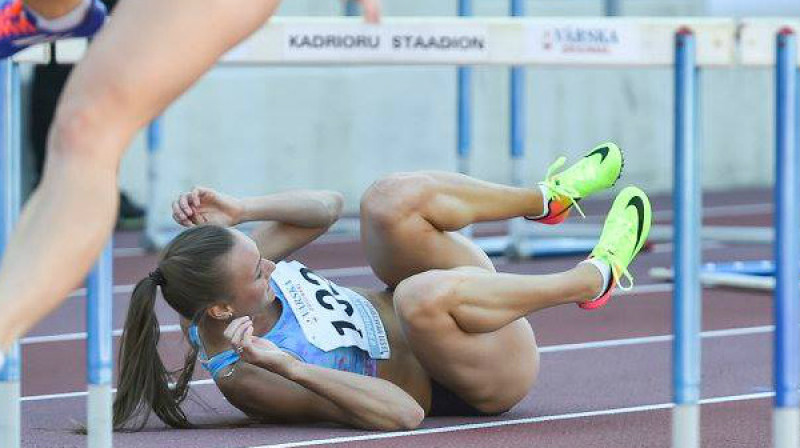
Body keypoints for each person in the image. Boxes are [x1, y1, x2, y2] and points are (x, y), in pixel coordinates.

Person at [112, 143, 653, 431]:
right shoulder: (249, 376)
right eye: (259, 272)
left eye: (261, 258)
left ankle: (543, 199)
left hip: (453, 296)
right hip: (471, 373)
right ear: (224, 306)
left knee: (387, 199)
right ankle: (591, 277)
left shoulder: (226, 283)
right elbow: (403, 415)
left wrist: (243, 208)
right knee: (422, 299)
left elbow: (327, 207)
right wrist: (291, 366)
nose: (273, 268)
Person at [0, 0, 381, 368]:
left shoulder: (234, 338)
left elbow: (326, 208)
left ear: (221, 309)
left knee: (85, 132)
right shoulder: (241, 275)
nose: (267, 267)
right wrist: (243, 209)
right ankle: (53, 12)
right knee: (82, 132)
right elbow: (326, 207)